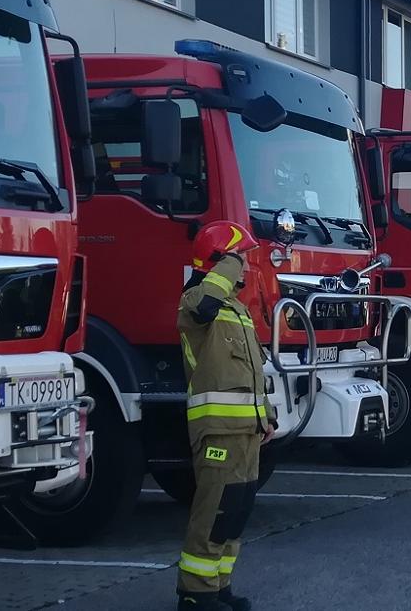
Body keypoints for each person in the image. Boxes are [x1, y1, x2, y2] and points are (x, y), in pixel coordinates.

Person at [177, 221, 273, 611]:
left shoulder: (237, 310)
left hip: (247, 429)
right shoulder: (196, 301)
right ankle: (195, 594)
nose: (247, 266)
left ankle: (218, 587)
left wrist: (266, 416)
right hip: (217, 431)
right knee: (213, 511)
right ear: (220, 260)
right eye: (240, 257)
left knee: (235, 511)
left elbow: (251, 372)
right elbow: (203, 305)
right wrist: (228, 263)